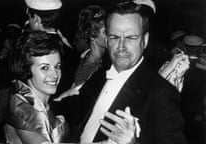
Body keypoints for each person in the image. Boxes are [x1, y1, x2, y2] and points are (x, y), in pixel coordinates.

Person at [57, 0, 187, 144]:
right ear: (107, 40)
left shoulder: (162, 93)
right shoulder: (99, 75)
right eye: (115, 37)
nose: (121, 47)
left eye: (131, 38)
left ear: (145, 40)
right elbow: (73, 114)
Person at [4, 31, 67, 144]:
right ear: (27, 69)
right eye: (44, 68)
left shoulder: (33, 100)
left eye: (57, 66)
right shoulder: (26, 109)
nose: (55, 75)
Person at [24, 0, 79, 95]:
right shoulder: (70, 49)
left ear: (37, 19)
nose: (29, 22)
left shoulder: (33, 50)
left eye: (29, 17)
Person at [55, 5, 110, 101]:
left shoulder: (97, 58)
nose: (112, 35)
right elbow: (74, 96)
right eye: (106, 32)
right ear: (92, 35)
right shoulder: (89, 66)